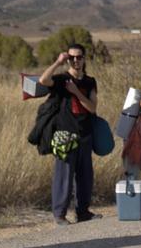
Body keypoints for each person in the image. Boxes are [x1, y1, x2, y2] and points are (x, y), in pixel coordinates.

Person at [38, 43, 98, 225]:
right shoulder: (61, 79)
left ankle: (83, 212)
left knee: (85, 175)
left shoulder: (90, 82)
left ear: (84, 59)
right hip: (65, 135)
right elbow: (43, 80)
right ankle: (60, 214)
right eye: (71, 58)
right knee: (63, 176)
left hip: (85, 133)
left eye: (79, 57)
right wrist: (58, 62)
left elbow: (92, 108)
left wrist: (76, 92)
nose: (75, 61)